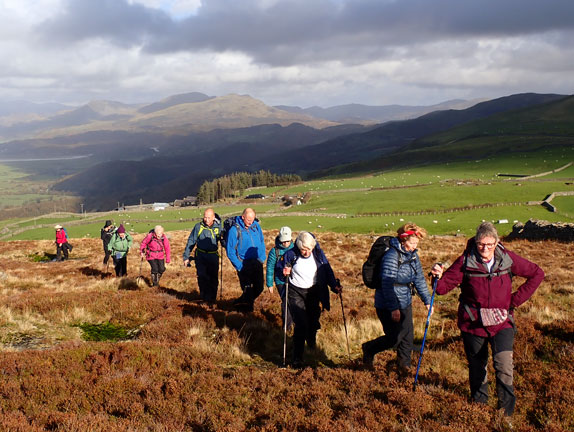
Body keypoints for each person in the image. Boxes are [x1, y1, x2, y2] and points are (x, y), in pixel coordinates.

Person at [431, 221, 544, 418]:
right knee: (477, 367)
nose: (485, 249)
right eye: (481, 244)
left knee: (504, 366)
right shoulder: (465, 260)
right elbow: (441, 289)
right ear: (475, 242)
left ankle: (506, 414)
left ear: (497, 243)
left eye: (490, 244)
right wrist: (435, 276)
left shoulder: (507, 258)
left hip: (502, 322)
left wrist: (513, 301)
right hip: (473, 323)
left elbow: (537, 273)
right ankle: (479, 409)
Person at [361, 223, 432, 374]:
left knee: (407, 338)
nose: (414, 246)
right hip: (387, 304)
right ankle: (369, 349)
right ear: (403, 240)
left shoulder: (413, 256)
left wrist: (427, 300)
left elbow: (419, 278)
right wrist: (393, 308)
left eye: (416, 243)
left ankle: (404, 369)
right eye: (412, 243)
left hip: (405, 301)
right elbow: (387, 284)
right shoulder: (391, 256)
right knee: (395, 337)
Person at [277, 231, 342, 367]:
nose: (306, 252)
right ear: (299, 246)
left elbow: (327, 270)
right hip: (295, 291)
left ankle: (311, 342)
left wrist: (334, 285)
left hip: (313, 291)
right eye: (303, 249)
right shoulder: (291, 254)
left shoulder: (318, 254)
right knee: (301, 324)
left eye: (308, 249)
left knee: (313, 321)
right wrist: (284, 271)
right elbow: (279, 269)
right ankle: (297, 358)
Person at [225, 208, 266, 312]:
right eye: (248, 220)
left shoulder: (256, 226)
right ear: (243, 217)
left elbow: (261, 242)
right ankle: (247, 315)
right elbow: (230, 251)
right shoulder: (234, 230)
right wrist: (240, 266)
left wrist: (262, 258)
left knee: (259, 288)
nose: (251, 222)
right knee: (247, 290)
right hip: (244, 264)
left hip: (257, 262)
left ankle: (239, 302)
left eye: (252, 219)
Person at [183, 209, 221, 304]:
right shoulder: (198, 227)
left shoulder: (218, 227)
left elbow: (223, 240)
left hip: (213, 256)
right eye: (205, 217)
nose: (206, 219)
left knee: (213, 278)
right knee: (202, 277)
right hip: (200, 256)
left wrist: (224, 241)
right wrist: (186, 256)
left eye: (209, 217)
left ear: (213, 217)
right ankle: (204, 298)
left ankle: (212, 299)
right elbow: (191, 241)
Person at [265, 226, 295, 328]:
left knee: (294, 301)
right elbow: (270, 268)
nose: (285, 243)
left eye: (287, 241)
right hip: (280, 281)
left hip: (294, 280)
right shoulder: (275, 251)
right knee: (286, 301)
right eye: (283, 241)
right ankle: (287, 326)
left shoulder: (296, 248)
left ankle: (295, 322)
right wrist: (269, 284)